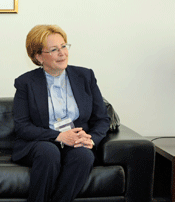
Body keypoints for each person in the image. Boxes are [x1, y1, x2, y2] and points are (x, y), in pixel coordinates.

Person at [12, 25, 110, 202]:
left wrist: (91, 139)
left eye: (64, 46)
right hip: (40, 143)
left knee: (84, 156)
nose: (62, 53)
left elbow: (102, 118)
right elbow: (22, 126)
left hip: (75, 141)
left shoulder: (85, 76)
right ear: (38, 56)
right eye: (54, 49)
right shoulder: (25, 83)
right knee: (48, 152)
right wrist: (59, 136)